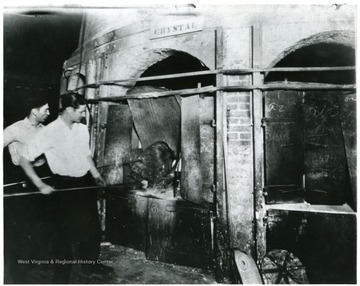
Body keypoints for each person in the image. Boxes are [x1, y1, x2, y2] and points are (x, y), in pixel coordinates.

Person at [19, 92, 114, 283]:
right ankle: (61, 277)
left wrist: (95, 174)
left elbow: (86, 154)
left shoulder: (81, 129)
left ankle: (89, 266)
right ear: (69, 110)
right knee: (65, 234)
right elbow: (24, 159)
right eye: (80, 111)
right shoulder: (49, 132)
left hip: (85, 181)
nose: (82, 115)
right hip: (65, 185)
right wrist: (39, 184)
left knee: (92, 228)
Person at [3, 95, 51, 283]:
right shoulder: (15, 129)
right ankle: (16, 275)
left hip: (41, 177)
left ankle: (33, 263)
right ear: (34, 111)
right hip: (20, 178)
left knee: (40, 224)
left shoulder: (45, 130)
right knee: (19, 228)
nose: (48, 113)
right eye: (45, 110)